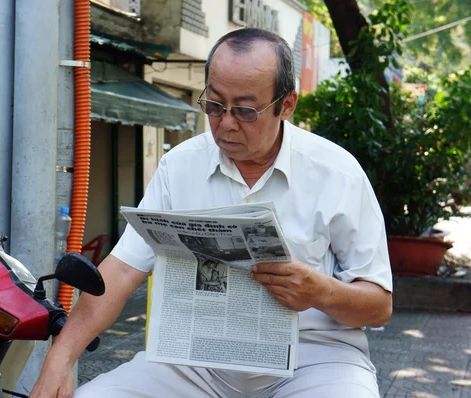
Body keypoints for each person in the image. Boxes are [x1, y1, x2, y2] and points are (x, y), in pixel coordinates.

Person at [30, 28, 392, 398]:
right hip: (194, 361)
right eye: (215, 106)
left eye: (246, 110)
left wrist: (321, 291)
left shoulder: (336, 172)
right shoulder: (179, 166)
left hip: (314, 360)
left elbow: (379, 306)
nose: (227, 123)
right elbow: (121, 270)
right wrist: (58, 360)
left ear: (287, 105)